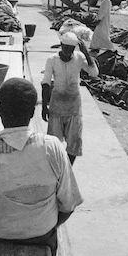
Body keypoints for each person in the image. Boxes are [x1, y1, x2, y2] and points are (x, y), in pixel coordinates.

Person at [0, 78, 83, 256]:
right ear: (32, 112)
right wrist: (41, 228)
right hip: (43, 239)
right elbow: (69, 204)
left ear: (0, 111)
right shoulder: (52, 147)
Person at [42, 31, 99, 165]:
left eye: (71, 48)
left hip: (74, 106)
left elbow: (94, 73)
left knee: (74, 142)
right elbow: (45, 83)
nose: (68, 52)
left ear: (75, 48)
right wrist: (45, 106)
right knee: (53, 143)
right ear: (61, 45)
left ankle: (68, 169)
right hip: (57, 105)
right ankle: (56, 169)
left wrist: (85, 52)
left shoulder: (79, 58)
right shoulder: (52, 60)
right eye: (65, 48)